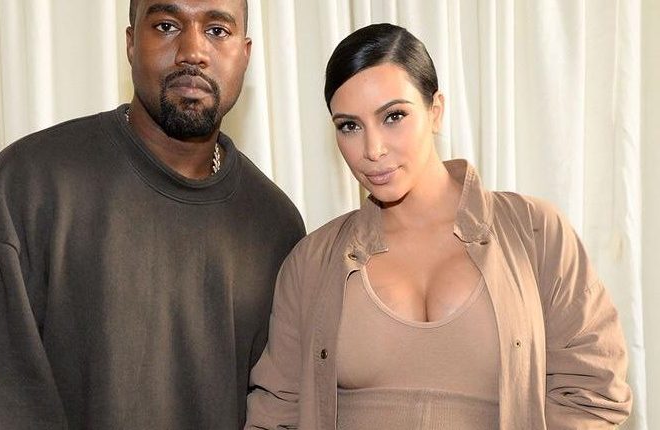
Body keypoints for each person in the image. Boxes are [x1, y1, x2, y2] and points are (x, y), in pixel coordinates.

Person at [245, 23, 632, 429]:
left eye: (394, 116)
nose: (373, 149)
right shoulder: (312, 261)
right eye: (350, 126)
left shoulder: (537, 234)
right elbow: (276, 414)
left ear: (436, 111)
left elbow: (594, 393)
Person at [0, 0, 304, 428]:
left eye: (217, 30)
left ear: (244, 54)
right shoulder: (29, 184)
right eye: (167, 25)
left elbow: (280, 406)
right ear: (131, 44)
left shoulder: (275, 226)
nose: (193, 51)